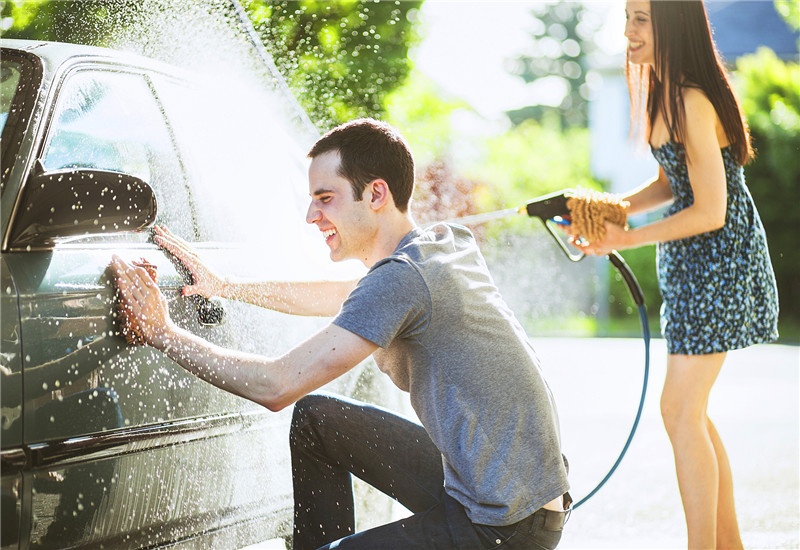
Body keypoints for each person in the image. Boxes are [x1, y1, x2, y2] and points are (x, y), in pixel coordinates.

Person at [111, 118, 571, 549]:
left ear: (375, 194)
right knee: (318, 420)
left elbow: (277, 386)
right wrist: (225, 286)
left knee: (302, 404)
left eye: (325, 197)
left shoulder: (402, 278)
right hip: (504, 490)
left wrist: (161, 331)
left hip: (503, 525)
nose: (311, 214)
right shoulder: (437, 249)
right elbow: (343, 296)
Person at [576, 1, 779, 548]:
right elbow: (673, 184)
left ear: (674, 23)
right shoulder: (664, 93)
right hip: (692, 268)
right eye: (627, 17)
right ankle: (727, 544)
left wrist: (627, 238)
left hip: (721, 265)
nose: (627, 31)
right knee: (691, 414)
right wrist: (613, 209)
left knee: (680, 411)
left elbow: (711, 210)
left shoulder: (691, 97)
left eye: (642, 18)